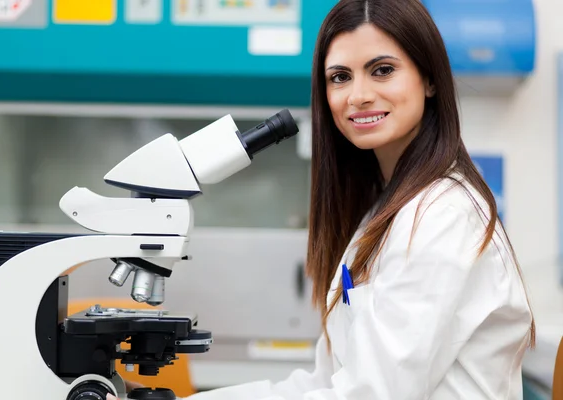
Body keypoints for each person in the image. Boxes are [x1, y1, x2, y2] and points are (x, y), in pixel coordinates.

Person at [110, 0, 535, 398]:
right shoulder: (384, 212)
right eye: (340, 77)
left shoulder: (442, 215)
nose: (358, 95)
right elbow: (324, 381)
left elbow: (371, 394)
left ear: (428, 80)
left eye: (382, 70)